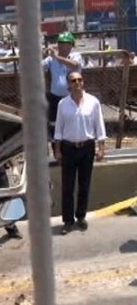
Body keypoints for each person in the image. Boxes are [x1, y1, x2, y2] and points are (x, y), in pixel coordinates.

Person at [54, 71, 107, 235]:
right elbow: (59, 129)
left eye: (79, 79)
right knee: (67, 187)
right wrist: (57, 150)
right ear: (68, 84)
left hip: (87, 148)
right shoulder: (63, 104)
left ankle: (81, 217)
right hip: (69, 149)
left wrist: (101, 148)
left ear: (83, 82)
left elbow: (99, 125)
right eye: (73, 80)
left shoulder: (93, 102)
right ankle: (68, 221)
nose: (77, 82)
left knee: (84, 185)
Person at [43, 31, 83, 153]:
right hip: (55, 97)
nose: (61, 46)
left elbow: (75, 65)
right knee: (55, 125)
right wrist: (42, 54)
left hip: (71, 97)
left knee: (71, 122)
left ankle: (72, 149)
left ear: (71, 45)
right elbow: (40, 66)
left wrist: (56, 57)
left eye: (65, 43)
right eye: (60, 43)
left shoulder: (75, 56)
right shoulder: (51, 59)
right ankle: (57, 151)